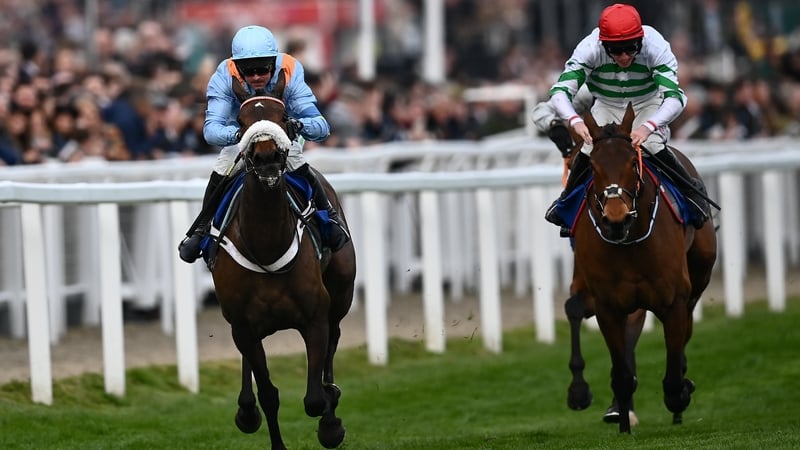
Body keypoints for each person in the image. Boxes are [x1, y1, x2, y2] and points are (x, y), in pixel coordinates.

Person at [178, 25, 350, 263]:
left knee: (297, 162)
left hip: (282, 133)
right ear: (237, 67)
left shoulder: (290, 68)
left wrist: (298, 126)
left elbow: (321, 126)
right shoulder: (224, 75)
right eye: (249, 71)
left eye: (262, 69)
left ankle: (329, 219)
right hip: (241, 135)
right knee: (223, 167)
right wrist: (241, 135)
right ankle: (200, 230)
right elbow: (211, 131)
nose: (257, 76)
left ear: (273, 63)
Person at [541, 3, 709, 236]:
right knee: (590, 148)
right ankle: (567, 203)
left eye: (631, 49)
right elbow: (560, 92)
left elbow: (675, 98)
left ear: (640, 40)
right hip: (606, 103)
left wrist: (648, 126)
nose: (624, 56)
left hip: (647, 102)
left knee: (651, 144)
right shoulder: (589, 49)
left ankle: (691, 192)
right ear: (603, 45)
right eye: (616, 51)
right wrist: (575, 121)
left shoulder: (656, 47)